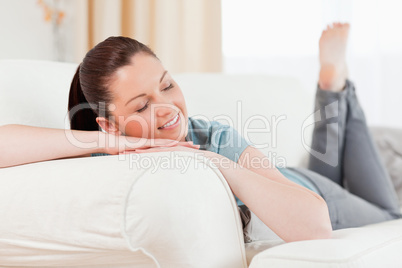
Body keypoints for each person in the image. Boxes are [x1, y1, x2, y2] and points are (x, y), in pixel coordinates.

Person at [0, 23, 399, 243]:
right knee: (330, 168)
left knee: (388, 213)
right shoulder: (105, 157)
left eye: (168, 85)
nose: (168, 108)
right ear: (108, 122)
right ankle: (334, 89)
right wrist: (114, 141)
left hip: (298, 188)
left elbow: (315, 222)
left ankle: (336, 89)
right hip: (292, 184)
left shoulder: (212, 136)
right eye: (140, 106)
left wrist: (217, 164)